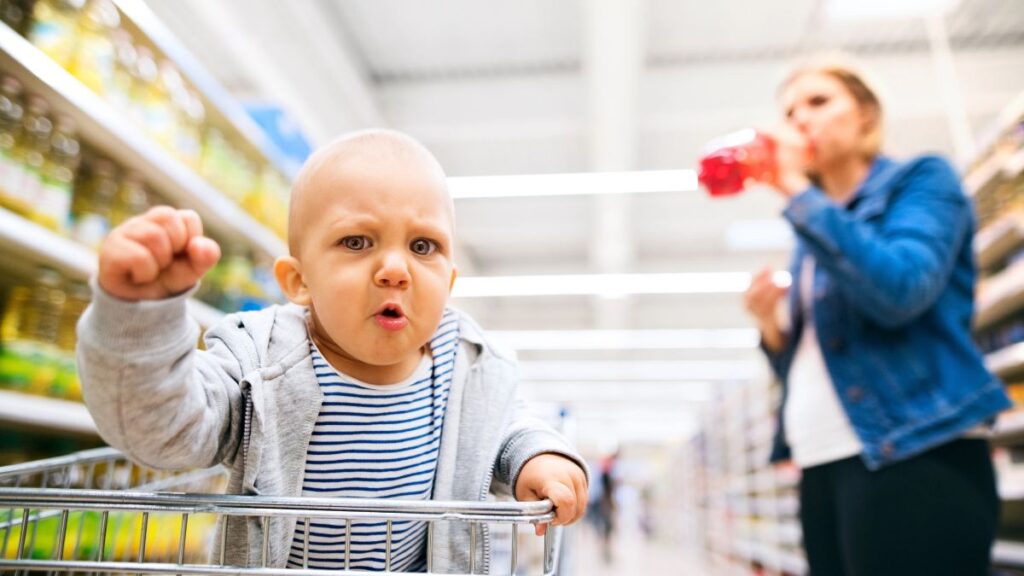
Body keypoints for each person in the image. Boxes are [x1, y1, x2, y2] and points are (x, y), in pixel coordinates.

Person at [76, 129, 589, 573]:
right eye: (357, 242)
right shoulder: (259, 365)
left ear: (450, 282)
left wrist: (538, 457)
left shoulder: (468, 373)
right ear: (299, 281)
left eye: (423, 246)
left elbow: (507, 427)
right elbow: (164, 427)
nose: (395, 269)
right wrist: (140, 317)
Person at [743, 58, 1011, 575]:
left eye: (818, 102)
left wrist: (796, 190)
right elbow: (812, 364)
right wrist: (769, 325)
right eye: (790, 111)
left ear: (866, 114)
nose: (800, 119)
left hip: (913, 451)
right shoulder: (813, 233)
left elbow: (901, 291)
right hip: (823, 460)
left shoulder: (921, 180)